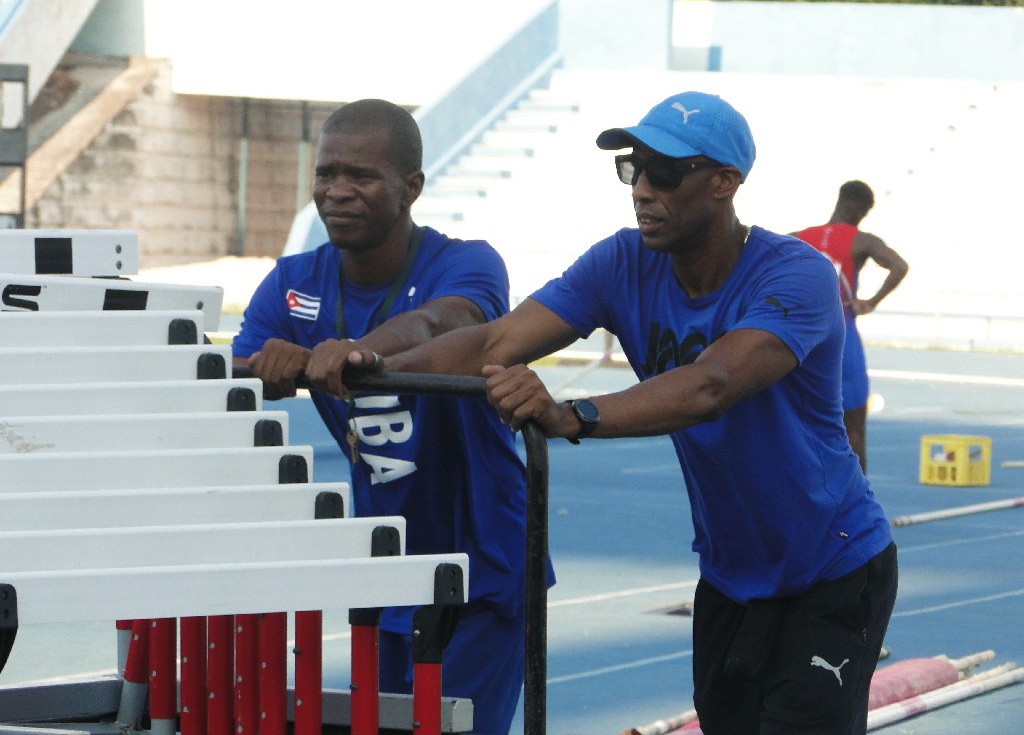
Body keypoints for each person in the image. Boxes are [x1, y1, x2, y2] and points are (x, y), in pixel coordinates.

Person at [321, 91, 899, 735]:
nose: (642, 189)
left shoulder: (797, 275)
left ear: (725, 184)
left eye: (666, 172)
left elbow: (712, 383)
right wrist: (367, 363)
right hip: (730, 574)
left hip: (836, 566)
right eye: (632, 168)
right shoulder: (620, 262)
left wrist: (575, 416)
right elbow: (494, 341)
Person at [232, 99, 543, 735]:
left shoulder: (467, 261)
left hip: (482, 569)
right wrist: (271, 362)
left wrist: (364, 352)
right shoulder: (292, 283)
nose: (336, 192)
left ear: (411, 187)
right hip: (380, 569)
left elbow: (449, 320)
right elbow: (236, 375)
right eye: (325, 173)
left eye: (362, 176)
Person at [792, 181, 909, 473]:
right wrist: (872, 301)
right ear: (860, 208)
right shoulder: (862, 240)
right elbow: (899, 265)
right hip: (842, 340)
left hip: (800, 342)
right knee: (854, 427)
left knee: (794, 424)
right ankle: (858, 507)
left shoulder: (796, 238)